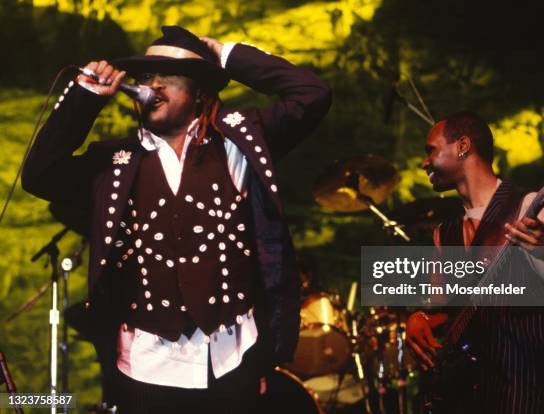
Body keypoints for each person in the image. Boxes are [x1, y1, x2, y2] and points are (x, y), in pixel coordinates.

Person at [22, 25, 331, 413]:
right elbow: (40, 175)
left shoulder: (239, 144)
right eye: (146, 77)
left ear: (200, 91)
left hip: (230, 358)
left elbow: (312, 94)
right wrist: (84, 99)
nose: (152, 86)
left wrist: (227, 55)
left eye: (167, 77)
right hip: (145, 364)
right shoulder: (114, 162)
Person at [405, 111, 544, 413]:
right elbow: (454, 313)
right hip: (469, 393)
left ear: (462, 146)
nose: (423, 163)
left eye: (430, 150)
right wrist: (420, 318)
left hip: (527, 388)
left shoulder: (528, 206)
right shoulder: (443, 234)